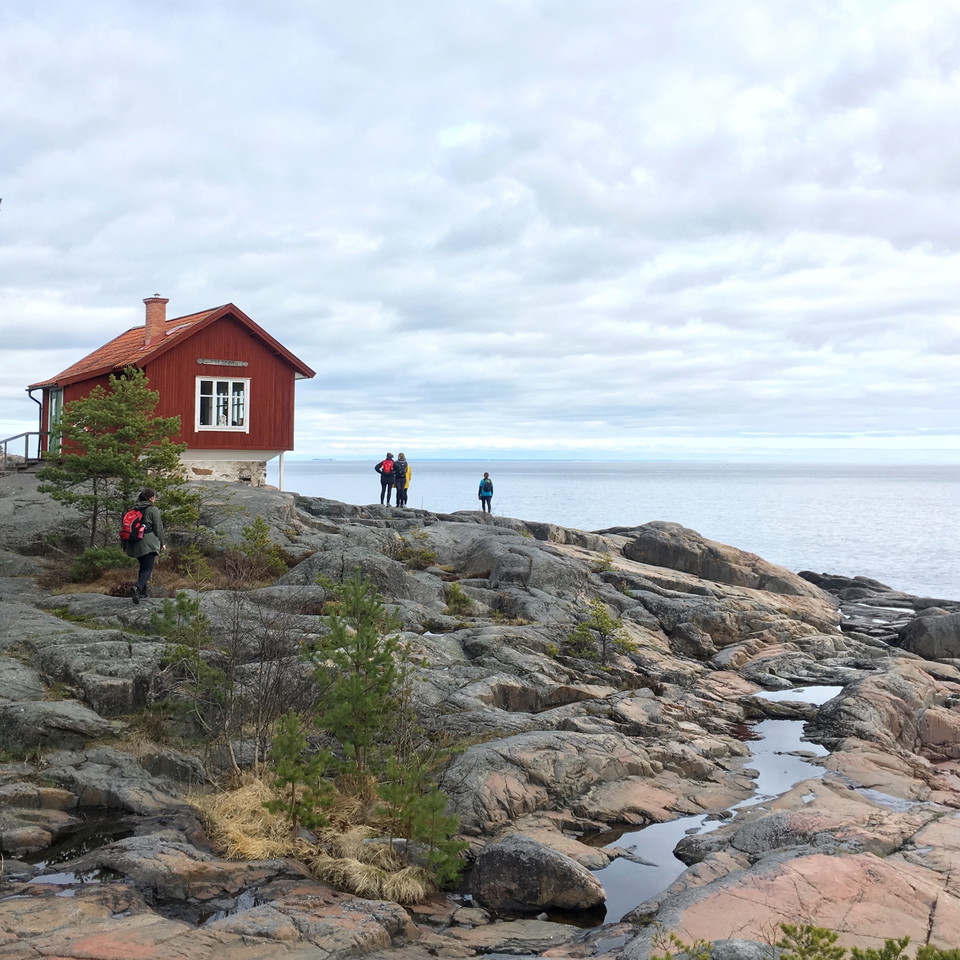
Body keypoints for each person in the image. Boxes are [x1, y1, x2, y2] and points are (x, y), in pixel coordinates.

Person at [126, 488, 164, 603]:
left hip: (134, 544)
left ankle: (142, 593)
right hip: (148, 543)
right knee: (147, 568)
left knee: (143, 567)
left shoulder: (134, 509)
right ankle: (137, 587)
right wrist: (162, 543)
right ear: (151, 498)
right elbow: (158, 528)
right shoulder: (153, 510)